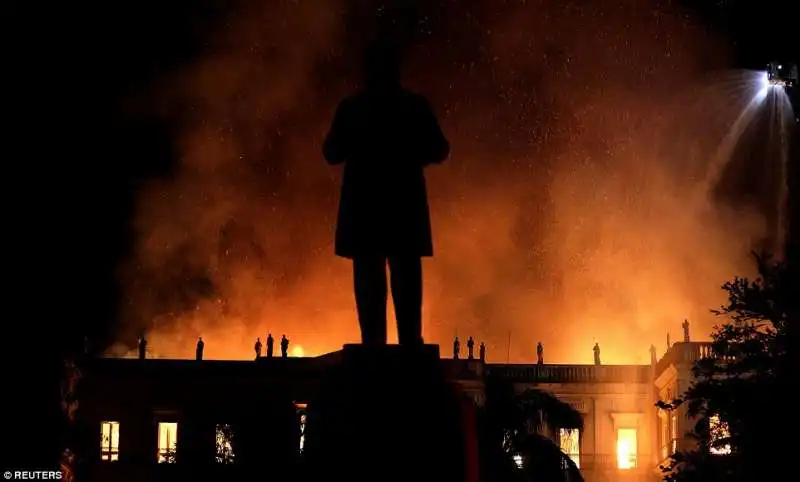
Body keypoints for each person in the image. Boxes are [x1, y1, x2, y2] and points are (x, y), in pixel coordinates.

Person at [323, 40, 449, 346]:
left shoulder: (352, 108)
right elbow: (440, 148)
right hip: (403, 212)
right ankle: (409, 345)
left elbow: (331, 152)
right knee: (406, 283)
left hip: (364, 214)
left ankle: (373, 348)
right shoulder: (414, 107)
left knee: (369, 285)